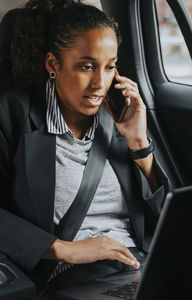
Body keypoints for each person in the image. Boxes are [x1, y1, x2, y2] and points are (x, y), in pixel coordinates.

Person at [0, 0, 170, 298]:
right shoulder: (14, 113)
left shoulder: (121, 116)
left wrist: (139, 145)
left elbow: (163, 222)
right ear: (53, 64)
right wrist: (64, 249)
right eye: (86, 66)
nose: (99, 83)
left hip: (139, 267)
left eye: (109, 67)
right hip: (70, 276)